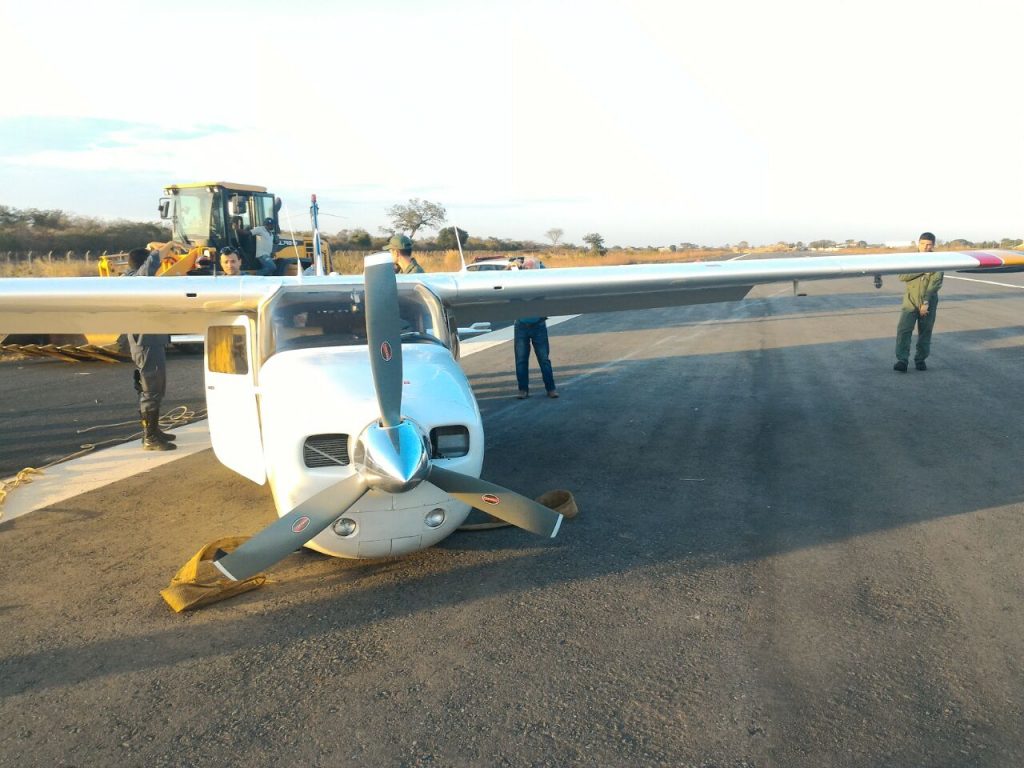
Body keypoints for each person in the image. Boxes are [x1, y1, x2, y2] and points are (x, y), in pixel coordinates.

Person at [124, 247, 176, 451]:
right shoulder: (136, 280)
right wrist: (166, 247)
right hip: (146, 343)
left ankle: (153, 430)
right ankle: (150, 437)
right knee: (151, 389)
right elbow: (149, 266)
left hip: (148, 341)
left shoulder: (130, 279)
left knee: (153, 388)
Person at [893, 232, 944, 372]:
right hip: (910, 299)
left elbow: (935, 282)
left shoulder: (938, 260)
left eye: (929, 245)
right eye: (922, 244)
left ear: (933, 245)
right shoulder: (910, 259)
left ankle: (920, 359)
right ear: (918, 243)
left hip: (929, 300)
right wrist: (923, 269)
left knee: (925, 331)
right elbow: (902, 276)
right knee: (904, 329)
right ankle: (902, 360)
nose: (925, 247)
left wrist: (925, 302)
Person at [513, 258, 559, 399]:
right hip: (521, 325)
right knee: (521, 360)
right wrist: (512, 269)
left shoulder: (540, 282)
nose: (527, 270)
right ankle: (523, 389)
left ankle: (551, 388)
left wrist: (539, 266)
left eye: (530, 268)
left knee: (544, 359)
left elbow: (551, 278)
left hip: (538, 325)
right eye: (525, 268)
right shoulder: (516, 281)